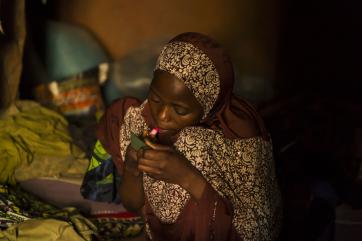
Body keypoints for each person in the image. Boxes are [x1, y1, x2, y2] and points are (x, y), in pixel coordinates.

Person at [81, 32, 282, 241]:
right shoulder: (141, 121)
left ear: (207, 108)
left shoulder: (239, 142)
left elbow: (257, 233)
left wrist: (186, 176)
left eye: (180, 110)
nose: (162, 116)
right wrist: (133, 169)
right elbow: (133, 204)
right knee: (118, 114)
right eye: (156, 99)